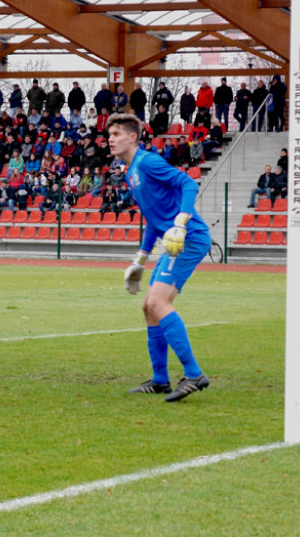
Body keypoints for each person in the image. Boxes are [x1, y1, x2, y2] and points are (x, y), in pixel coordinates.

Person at [107, 113, 210, 402]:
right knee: (148, 307)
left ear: (132, 137)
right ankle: (161, 380)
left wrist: (181, 221)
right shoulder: (129, 173)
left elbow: (189, 184)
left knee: (157, 302)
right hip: (174, 241)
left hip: (188, 237)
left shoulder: (148, 162)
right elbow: (152, 218)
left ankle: (193, 373)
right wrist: (140, 259)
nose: (111, 139)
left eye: (116, 134)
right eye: (109, 135)